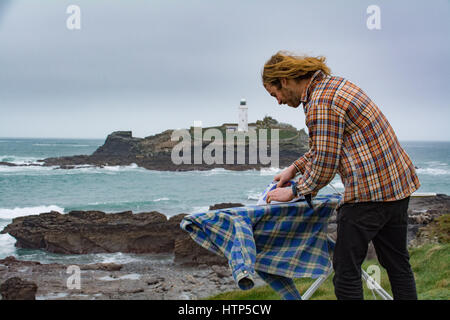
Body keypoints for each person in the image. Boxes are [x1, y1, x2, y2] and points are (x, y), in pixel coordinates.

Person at [262, 51, 420, 300]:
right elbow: (327, 145)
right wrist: (295, 168)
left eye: (275, 94)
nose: (279, 101)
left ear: (284, 80)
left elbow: (325, 163)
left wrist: (293, 191)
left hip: (369, 193)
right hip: (397, 186)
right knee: (398, 265)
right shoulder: (334, 85)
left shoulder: (320, 102)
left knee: (346, 273)